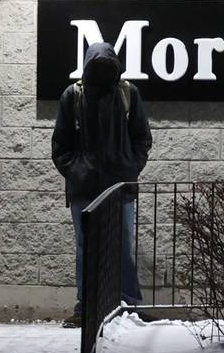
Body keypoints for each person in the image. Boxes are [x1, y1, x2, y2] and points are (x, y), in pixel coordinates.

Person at [50, 42, 153, 328]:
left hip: (120, 186)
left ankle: (128, 305)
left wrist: (129, 167)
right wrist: (77, 171)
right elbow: (60, 145)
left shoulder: (127, 93)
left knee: (121, 246)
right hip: (85, 188)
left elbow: (142, 138)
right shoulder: (73, 96)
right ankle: (87, 307)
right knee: (85, 247)